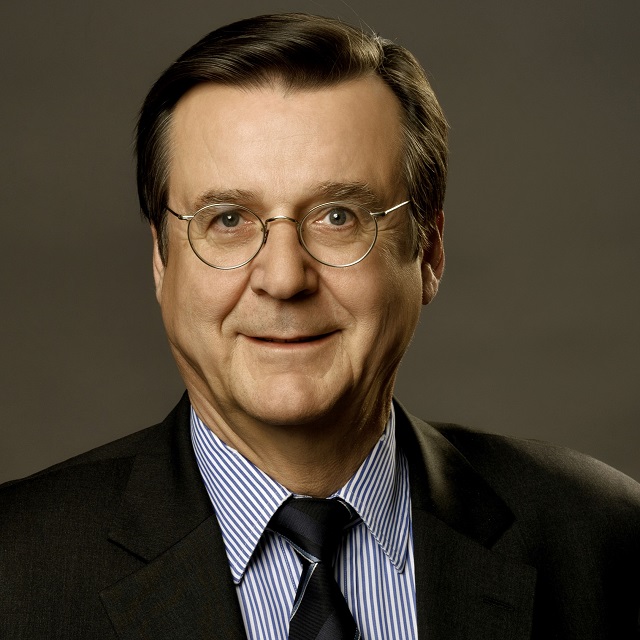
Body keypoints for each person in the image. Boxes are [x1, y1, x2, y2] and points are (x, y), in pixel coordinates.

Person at [1, 12, 639, 640]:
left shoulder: (607, 539)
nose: (283, 278)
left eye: (339, 217)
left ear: (429, 251)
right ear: (161, 261)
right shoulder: (15, 570)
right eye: (228, 219)